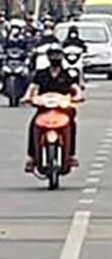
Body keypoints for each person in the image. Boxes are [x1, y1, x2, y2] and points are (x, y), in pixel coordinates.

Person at [22, 43, 83, 172]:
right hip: (44, 109)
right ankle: (33, 157)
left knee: (72, 125)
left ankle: (70, 155)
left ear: (62, 57)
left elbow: (76, 88)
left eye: (58, 54)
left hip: (63, 109)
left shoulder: (68, 74)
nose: (55, 57)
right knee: (34, 124)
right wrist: (28, 97)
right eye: (52, 55)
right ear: (48, 57)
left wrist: (78, 96)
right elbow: (33, 87)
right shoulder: (41, 74)